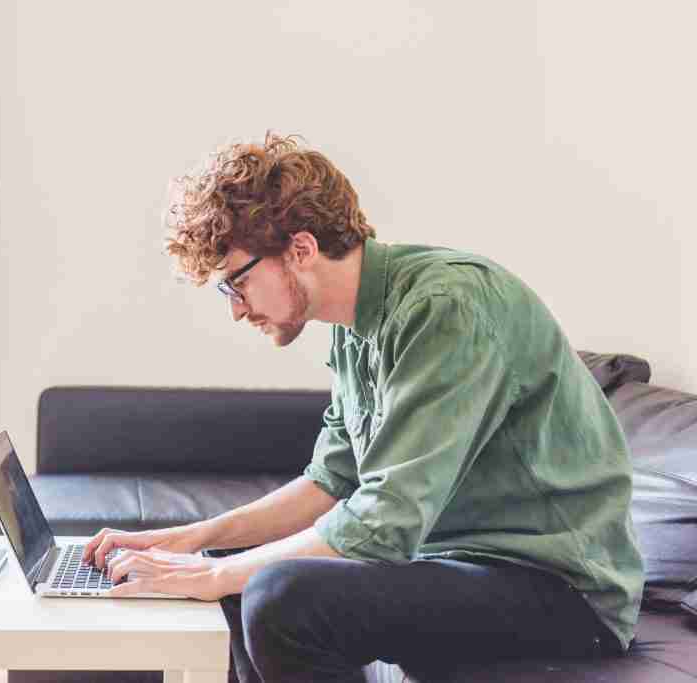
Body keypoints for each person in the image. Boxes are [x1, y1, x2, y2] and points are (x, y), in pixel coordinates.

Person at [82, 132, 643, 683]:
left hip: (560, 591)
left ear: (300, 250)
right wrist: (191, 540)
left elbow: (384, 519)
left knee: (276, 593)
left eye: (236, 284)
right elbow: (329, 480)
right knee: (241, 573)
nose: (237, 310)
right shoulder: (353, 329)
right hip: (457, 564)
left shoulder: (444, 309)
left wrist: (215, 573)